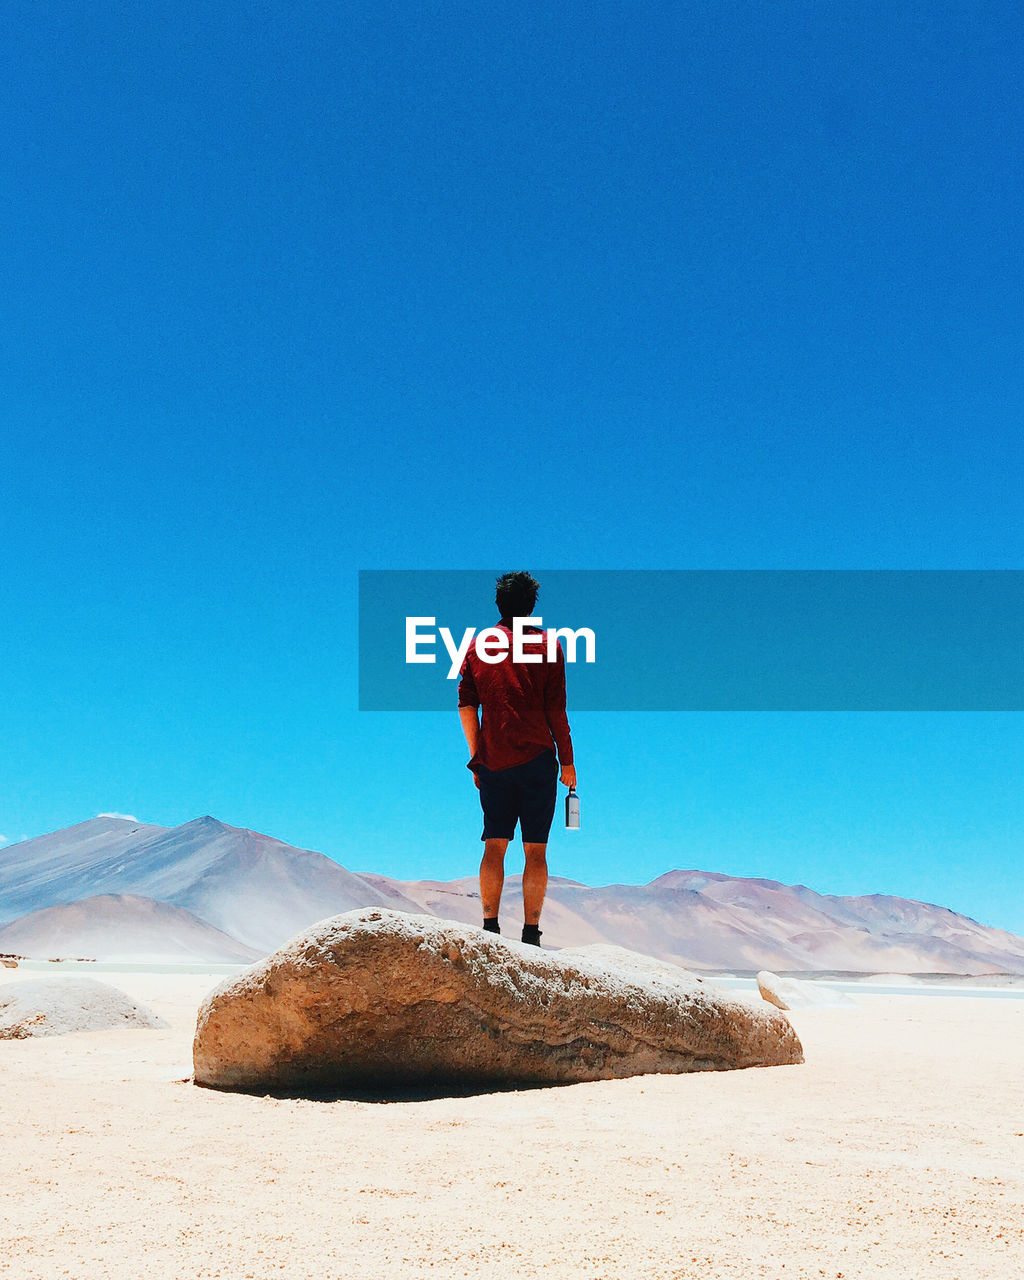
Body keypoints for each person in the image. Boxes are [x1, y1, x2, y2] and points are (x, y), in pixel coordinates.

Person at [457, 571, 576, 946]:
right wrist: (569, 762)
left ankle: (490, 928)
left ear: (499, 605)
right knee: (535, 850)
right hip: (539, 759)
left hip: (494, 761)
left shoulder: (478, 647)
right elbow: (557, 711)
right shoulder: (549, 647)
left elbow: (466, 706)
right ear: (532, 606)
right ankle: (530, 935)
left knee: (494, 844)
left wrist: (477, 756)